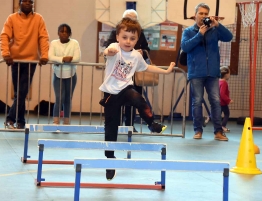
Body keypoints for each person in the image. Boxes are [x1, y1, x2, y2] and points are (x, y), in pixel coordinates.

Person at [99, 17, 175, 180]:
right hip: (110, 94)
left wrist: (166, 71)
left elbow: (147, 67)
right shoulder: (114, 48)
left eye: (132, 38)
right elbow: (106, 52)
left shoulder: (136, 56)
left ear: (137, 40)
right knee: (111, 129)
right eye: (124, 37)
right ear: (118, 37)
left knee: (138, 99)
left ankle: (152, 124)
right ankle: (110, 160)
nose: (128, 41)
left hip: (125, 89)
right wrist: (108, 52)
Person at [181, 3, 233, 141]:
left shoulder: (214, 30)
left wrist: (217, 25)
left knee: (216, 101)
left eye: (206, 14)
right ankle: (198, 130)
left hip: (213, 73)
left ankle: (218, 132)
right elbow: (185, 47)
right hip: (196, 72)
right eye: (201, 13)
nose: (203, 16)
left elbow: (229, 37)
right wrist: (199, 35)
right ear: (195, 15)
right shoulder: (188, 31)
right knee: (197, 101)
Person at [0, 0, 49, 129]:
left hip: (30, 61)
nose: (28, 3)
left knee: (22, 91)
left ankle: (10, 118)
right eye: (25, 1)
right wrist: (6, 54)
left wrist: (44, 55)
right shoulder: (12, 18)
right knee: (19, 93)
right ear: (19, 3)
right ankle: (21, 121)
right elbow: (4, 36)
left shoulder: (38, 18)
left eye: (30, 2)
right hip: (15, 60)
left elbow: (43, 37)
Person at [105, 9, 150, 132]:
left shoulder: (141, 33)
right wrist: (111, 51)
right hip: (117, 74)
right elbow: (107, 47)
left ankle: (130, 125)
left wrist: (142, 52)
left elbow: (147, 50)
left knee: (134, 100)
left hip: (134, 73)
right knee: (116, 102)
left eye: (133, 19)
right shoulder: (116, 31)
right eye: (127, 18)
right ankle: (116, 125)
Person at [48, 24, 81, 125]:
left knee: (68, 98)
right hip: (58, 74)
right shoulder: (54, 43)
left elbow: (77, 58)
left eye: (66, 32)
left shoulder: (74, 43)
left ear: (70, 34)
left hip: (71, 74)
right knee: (59, 98)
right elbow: (50, 56)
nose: (64, 33)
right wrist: (63, 59)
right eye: (62, 31)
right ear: (58, 33)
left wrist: (61, 60)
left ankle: (66, 120)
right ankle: (55, 120)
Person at [219, 66, 233, 132]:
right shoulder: (224, 83)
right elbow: (222, 94)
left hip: (218, 102)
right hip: (223, 103)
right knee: (227, 114)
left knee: (218, 114)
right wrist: (228, 100)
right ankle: (223, 126)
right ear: (226, 74)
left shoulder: (218, 81)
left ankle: (209, 118)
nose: (229, 75)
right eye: (229, 73)